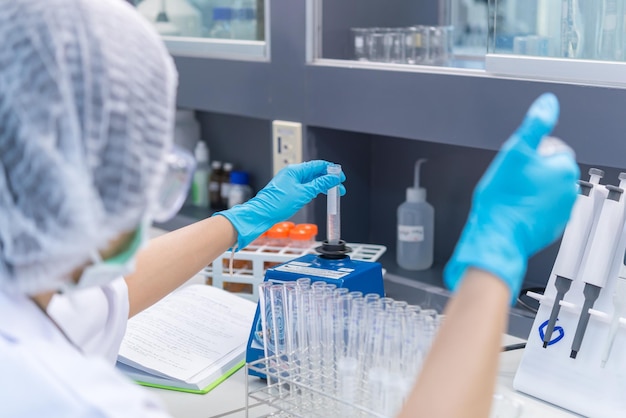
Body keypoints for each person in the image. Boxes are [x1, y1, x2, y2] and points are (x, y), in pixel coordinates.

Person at [0, 2, 579, 418]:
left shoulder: (25, 297)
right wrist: (491, 265)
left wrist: (247, 216)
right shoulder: (73, 400)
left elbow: (107, 297)